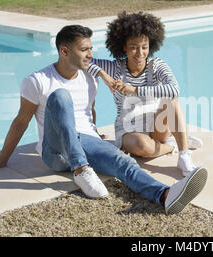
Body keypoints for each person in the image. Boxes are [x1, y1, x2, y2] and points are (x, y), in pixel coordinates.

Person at [0, 24, 207, 215]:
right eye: (84, 50)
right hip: (56, 152)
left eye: (90, 49)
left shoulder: (90, 78)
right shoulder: (37, 80)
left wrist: (96, 134)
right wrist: (2, 160)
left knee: (123, 161)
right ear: (64, 52)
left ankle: (165, 195)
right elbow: (21, 121)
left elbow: (89, 111)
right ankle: (81, 170)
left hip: (86, 141)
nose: (90, 54)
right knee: (61, 97)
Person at [87, 11, 203, 177]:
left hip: (157, 126)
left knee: (171, 100)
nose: (140, 53)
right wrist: (103, 75)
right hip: (128, 130)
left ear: (151, 45)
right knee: (142, 146)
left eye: (144, 47)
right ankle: (173, 145)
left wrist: (134, 89)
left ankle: (184, 155)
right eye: (133, 47)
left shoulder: (156, 65)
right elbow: (80, 60)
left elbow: (174, 89)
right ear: (124, 47)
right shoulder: (114, 68)